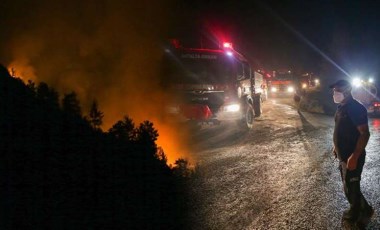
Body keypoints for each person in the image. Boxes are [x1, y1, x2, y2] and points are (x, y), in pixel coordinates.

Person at [330, 79, 374, 226]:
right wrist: (336, 147)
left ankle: (356, 215)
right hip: (344, 155)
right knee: (349, 186)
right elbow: (339, 129)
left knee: (351, 186)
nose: (334, 94)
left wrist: (354, 156)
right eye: (334, 91)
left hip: (352, 156)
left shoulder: (355, 108)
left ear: (347, 91)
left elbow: (364, 134)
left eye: (337, 91)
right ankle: (366, 209)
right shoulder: (341, 107)